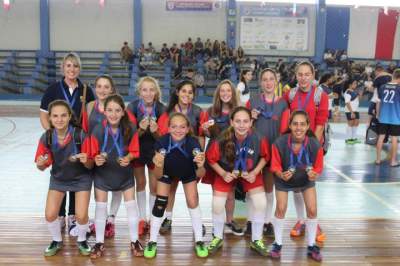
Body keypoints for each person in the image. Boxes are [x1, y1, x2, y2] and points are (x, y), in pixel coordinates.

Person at [39, 52, 95, 234]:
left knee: (77, 173)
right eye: (68, 65)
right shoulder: (53, 89)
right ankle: (61, 215)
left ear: (80, 69)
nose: (72, 69)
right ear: (63, 68)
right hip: (60, 139)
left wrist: (84, 139)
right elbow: (43, 114)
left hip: (78, 139)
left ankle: (73, 216)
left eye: (76, 66)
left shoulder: (87, 90)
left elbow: (91, 115)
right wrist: (54, 135)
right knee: (61, 172)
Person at [206, 107, 270, 257]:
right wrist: (222, 173)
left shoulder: (259, 138)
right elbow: (211, 159)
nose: (242, 125)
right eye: (238, 121)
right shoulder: (222, 139)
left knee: (261, 202)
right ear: (231, 122)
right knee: (217, 204)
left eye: (245, 121)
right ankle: (217, 237)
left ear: (251, 122)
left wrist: (255, 172)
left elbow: (265, 156)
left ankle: (256, 239)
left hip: (250, 172)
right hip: (227, 172)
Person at [143, 113, 208, 258]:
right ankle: (152, 241)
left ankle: (199, 240)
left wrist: (201, 165)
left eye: (182, 127)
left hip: (188, 173)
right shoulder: (161, 142)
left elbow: (201, 173)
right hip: (167, 173)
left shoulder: (193, 143)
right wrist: (158, 164)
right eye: (174, 126)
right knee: (160, 202)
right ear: (168, 128)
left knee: (193, 201)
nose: (178, 130)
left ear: (187, 129)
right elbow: (159, 175)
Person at [35, 100, 92, 256]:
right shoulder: (46, 137)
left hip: (81, 179)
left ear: (69, 117)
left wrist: (86, 160)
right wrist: (41, 163)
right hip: (59, 179)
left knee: (80, 215)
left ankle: (82, 240)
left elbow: (91, 165)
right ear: (50, 119)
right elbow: (40, 167)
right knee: (50, 214)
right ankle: (56, 240)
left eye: (63, 115)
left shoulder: (80, 135)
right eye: (55, 116)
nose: (59, 119)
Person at [90, 94, 143, 258]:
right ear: (104, 111)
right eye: (110, 110)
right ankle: (99, 242)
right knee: (100, 207)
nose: (113, 114)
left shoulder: (131, 128)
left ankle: (135, 240)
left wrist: (128, 157)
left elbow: (135, 151)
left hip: (124, 175)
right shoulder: (98, 129)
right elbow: (93, 154)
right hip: (103, 175)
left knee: (131, 206)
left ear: (122, 112)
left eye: (117, 110)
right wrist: (97, 159)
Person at [269, 110, 324, 262]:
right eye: (295, 124)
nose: (298, 128)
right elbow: (274, 165)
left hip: (305, 180)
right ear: (290, 125)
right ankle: (278, 243)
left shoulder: (314, 144)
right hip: (283, 180)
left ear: (307, 126)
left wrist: (315, 174)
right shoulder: (279, 143)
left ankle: (311, 245)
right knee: (280, 208)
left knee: (312, 210)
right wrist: (280, 174)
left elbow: (318, 166)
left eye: (302, 124)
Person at [283, 61, 328, 243]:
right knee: (296, 186)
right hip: (293, 145)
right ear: (296, 76)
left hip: (312, 146)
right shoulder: (290, 94)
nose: (303, 78)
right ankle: (301, 220)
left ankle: (313, 221)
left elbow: (320, 123)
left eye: (307, 74)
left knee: (308, 183)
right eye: (300, 74)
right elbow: (283, 115)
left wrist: (310, 147)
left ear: (313, 75)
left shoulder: (320, 95)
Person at [157, 80, 206, 233]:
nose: (187, 94)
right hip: (172, 155)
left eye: (190, 92)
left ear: (193, 96)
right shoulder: (168, 111)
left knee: (192, 192)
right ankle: (168, 218)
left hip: (191, 156)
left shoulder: (198, 111)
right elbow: (162, 135)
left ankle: (197, 222)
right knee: (171, 188)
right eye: (184, 91)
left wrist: (200, 154)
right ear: (177, 92)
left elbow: (201, 135)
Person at [247, 68, 290, 237]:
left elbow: (285, 129)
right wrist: (251, 118)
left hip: (274, 151)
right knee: (253, 188)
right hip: (255, 151)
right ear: (260, 83)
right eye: (264, 79)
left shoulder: (282, 104)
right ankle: (251, 221)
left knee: (268, 188)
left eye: (271, 79)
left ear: (276, 82)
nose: (268, 82)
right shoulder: (253, 101)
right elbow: (244, 125)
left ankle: (267, 221)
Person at [200, 80, 243, 235]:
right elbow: (206, 134)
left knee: (230, 193)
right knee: (217, 194)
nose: (225, 94)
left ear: (233, 93)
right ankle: (217, 224)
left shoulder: (239, 111)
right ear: (218, 94)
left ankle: (229, 221)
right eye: (222, 91)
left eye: (228, 91)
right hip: (215, 157)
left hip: (232, 156)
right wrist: (205, 130)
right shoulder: (211, 111)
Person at [81, 75, 121, 238]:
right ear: (95, 88)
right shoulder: (90, 106)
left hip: (114, 151)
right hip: (95, 153)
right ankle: (100, 220)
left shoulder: (116, 105)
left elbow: (124, 128)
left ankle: (110, 219)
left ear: (111, 89)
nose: (102, 90)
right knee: (98, 189)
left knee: (117, 187)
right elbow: (85, 130)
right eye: (99, 86)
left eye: (106, 87)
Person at [126, 76, 166, 235]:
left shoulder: (162, 109)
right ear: (139, 92)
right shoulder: (132, 107)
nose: (148, 93)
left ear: (156, 92)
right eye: (144, 90)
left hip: (154, 151)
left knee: (154, 186)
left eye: (151, 89)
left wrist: (156, 131)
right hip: (137, 150)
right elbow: (128, 135)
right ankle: (142, 218)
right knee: (140, 183)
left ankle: (151, 218)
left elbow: (164, 137)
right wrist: (141, 130)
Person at [375, 69, 400, 166]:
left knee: (381, 137)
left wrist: (378, 114)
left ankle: (378, 160)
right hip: (396, 118)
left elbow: (379, 102)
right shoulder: (399, 88)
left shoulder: (382, 87)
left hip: (383, 117)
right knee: (394, 139)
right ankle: (393, 161)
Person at [343, 78, 361, 144]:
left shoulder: (353, 91)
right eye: (354, 83)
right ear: (350, 85)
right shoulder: (348, 92)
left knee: (356, 123)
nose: (356, 85)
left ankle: (353, 138)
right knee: (350, 124)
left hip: (356, 110)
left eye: (356, 83)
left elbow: (357, 100)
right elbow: (347, 103)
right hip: (350, 111)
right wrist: (351, 112)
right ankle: (348, 139)